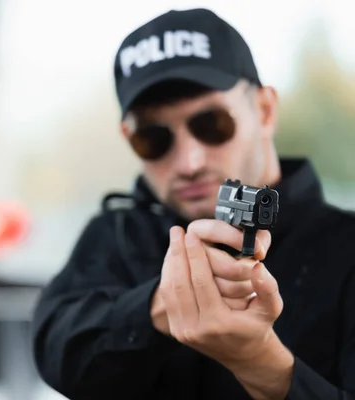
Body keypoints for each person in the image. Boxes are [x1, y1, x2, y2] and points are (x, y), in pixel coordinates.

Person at [31, 7, 355, 400]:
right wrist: (161, 306)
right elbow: (56, 350)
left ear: (265, 111)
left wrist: (264, 366)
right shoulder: (118, 234)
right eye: (153, 137)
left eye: (212, 124)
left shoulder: (345, 247)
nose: (190, 162)